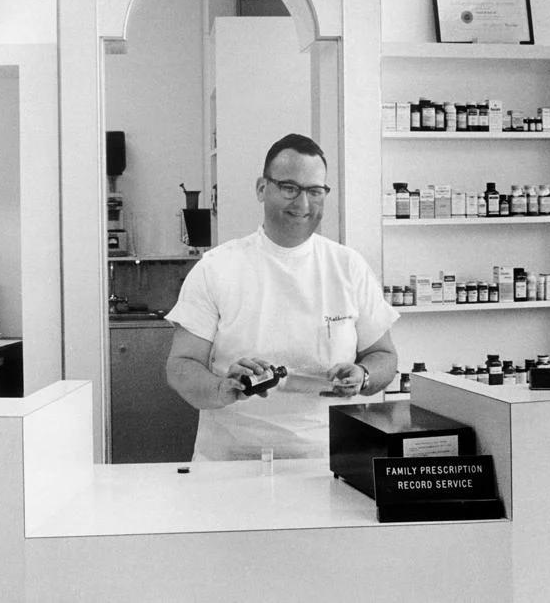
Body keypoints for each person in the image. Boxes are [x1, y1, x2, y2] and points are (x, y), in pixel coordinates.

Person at [165, 133, 399, 461]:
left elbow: (384, 356)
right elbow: (180, 365)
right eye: (290, 188)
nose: (303, 204)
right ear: (262, 188)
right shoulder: (217, 267)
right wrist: (222, 388)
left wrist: (364, 376)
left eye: (315, 191)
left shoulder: (348, 266)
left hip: (329, 461)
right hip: (231, 461)